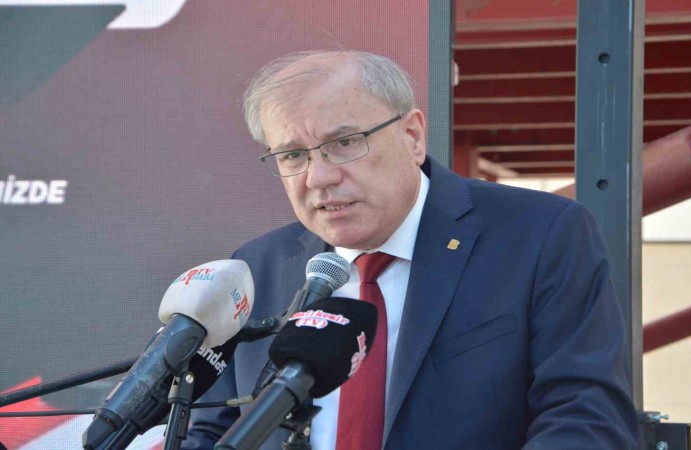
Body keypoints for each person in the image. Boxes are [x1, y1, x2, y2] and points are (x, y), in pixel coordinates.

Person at [182, 50, 639, 450]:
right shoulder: (257, 268)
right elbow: (210, 430)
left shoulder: (540, 235)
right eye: (293, 155)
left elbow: (585, 419)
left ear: (413, 136)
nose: (318, 177)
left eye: (343, 143)